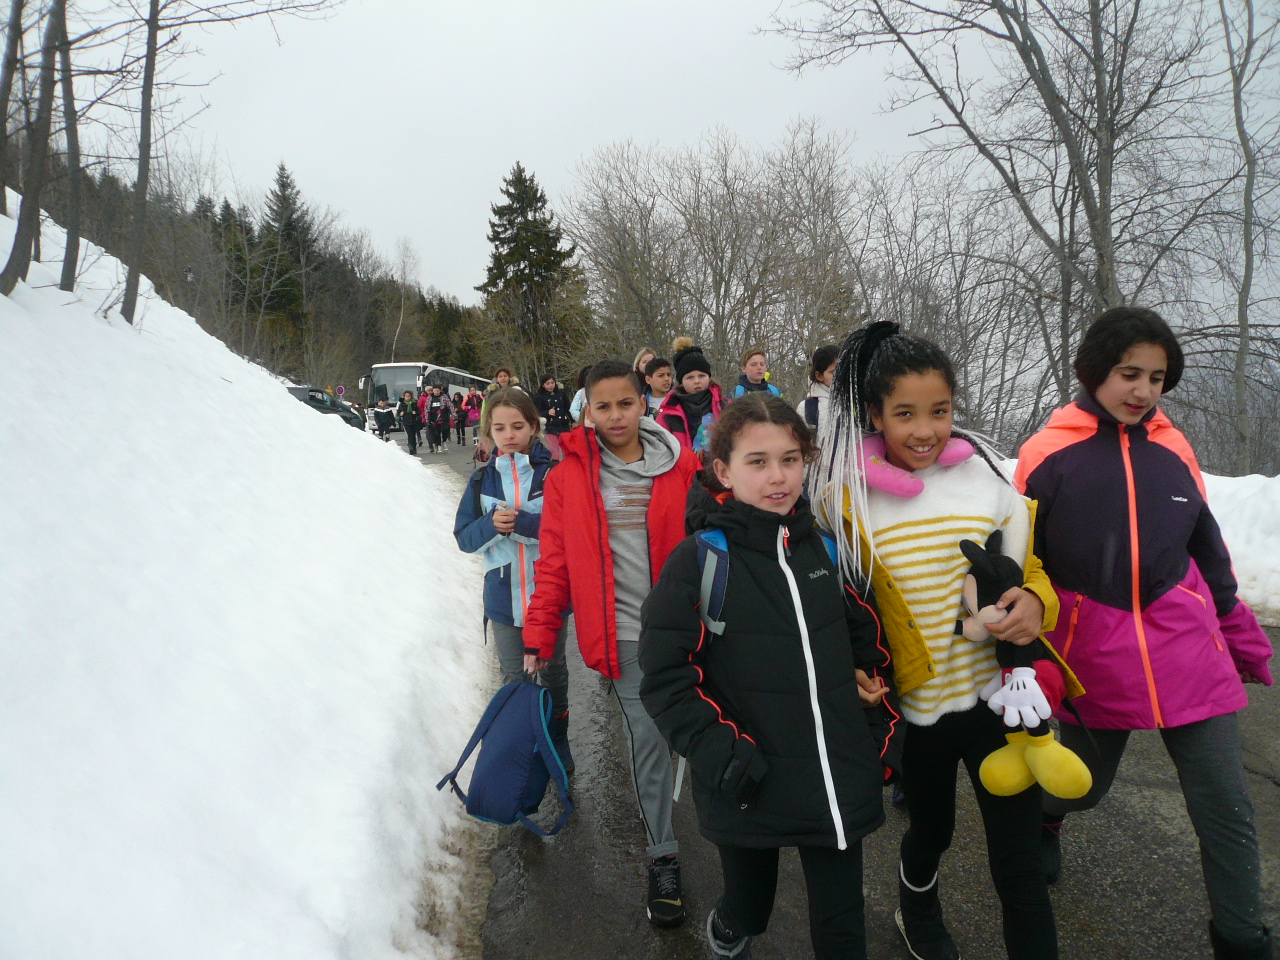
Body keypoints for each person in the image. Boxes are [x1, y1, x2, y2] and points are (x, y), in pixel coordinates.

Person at [1015, 307, 1274, 960]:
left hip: (1187, 648)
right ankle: (1044, 821)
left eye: (1156, 378)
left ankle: (1243, 940)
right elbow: (1023, 563)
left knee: (1226, 809)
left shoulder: (1174, 449)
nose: (1142, 390)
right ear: (1095, 369)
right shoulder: (1047, 453)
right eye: (1129, 373)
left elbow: (1207, 549)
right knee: (1083, 787)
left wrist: (1240, 632)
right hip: (1095, 655)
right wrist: (1026, 650)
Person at [815, 321, 1069, 960]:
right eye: (905, 414)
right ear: (876, 415)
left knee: (1017, 856)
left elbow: (1029, 569)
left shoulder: (987, 483)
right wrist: (850, 668)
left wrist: (1036, 603)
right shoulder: (847, 501)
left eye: (940, 411)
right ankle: (917, 908)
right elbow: (832, 605)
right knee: (932, 832)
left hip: (998, 701)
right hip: (918, 712)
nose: (925, 430)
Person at [640, 394, 901, 960]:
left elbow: (874, 647)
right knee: (749, 906)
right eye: (757, 462)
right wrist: (722, 753)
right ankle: (730, 928)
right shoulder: (701, 560)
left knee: (842, 927)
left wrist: (879, 732)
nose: (777, 476)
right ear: (724, 470)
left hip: (832, 773)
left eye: (790, 459)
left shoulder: (828, 551)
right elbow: (664, 676)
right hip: (748, 777)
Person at [524, 359, 702, 929]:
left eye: (626, 403)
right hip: (622, 634)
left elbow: (714, 536)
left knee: (696, 734)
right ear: (587, 410)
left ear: (643, 402)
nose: (616, 415)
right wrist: (539, 634)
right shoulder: (568, 478)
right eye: (603, 406)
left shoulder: (681, 463)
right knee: (648, 740)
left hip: (687, 629)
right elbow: (554, 564)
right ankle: (663, 857)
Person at [453, 387, 571, 769]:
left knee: (553, 671)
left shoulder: (553, 475)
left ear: (534, 427)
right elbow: (464, 538)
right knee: (513, 676)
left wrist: (521, 523)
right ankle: (522, 750)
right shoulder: (481, 481)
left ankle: (557, 740)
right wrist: (491, 525)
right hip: (502, 599)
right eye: (500, 428)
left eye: (517, 426)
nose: (509, 435)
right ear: (489, 431)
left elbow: (568, 529)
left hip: (549, 595)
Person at [655, 338, 724, 455]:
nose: (697, 381)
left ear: (709, 377)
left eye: (701, 376)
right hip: (684, 464)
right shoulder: (669, 413)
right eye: (690, 377)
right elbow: (659, 447)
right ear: (681, 381)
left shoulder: (723, 405)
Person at [797, 344, 839, 435]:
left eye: (843, 370)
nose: (840, 375)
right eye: (834, 372)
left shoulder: (855, 402)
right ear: (819, 376)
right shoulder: (807, 408)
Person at [532, 374, 573, 460]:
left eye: (552, 383)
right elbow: (536, 413)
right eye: (547, 383)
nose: (550, 385)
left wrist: (573, 421)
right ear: (543, 385)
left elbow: (568, 409)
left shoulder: (561, 394)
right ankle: (555, 466)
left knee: (568, 450)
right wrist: (547, 413)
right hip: (550, 428)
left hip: (564, 426)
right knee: (554, 453)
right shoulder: (539, 397)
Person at [424, 385, 453, 454]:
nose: (436, 392)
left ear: (440, 390)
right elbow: (427, 409)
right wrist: (427, 419)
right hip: (434, 418)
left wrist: (454, 415)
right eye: (435, 390)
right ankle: (439, 445)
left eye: (438, 390)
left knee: (445, 430)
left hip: (444, 417)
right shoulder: (430, 398)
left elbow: (450, 406)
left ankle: (444, 440)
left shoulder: (444, 397)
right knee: (437, 432)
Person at [397, 389, 422, 456]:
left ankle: (414, 447)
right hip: (406, 422)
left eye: (409, 396)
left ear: (411, 397)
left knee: (413, 435)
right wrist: (400, 414)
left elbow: (419, 412)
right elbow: (398, 413)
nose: (407, 398)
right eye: (406, 396)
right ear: (404, 397)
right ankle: (410, 447)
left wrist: (415, 412)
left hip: (414, 421)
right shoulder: (402, 404)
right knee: (410, 435)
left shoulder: (414, 403)